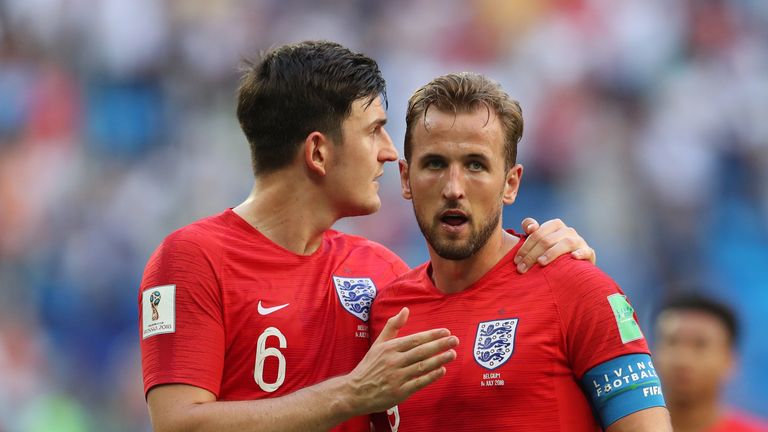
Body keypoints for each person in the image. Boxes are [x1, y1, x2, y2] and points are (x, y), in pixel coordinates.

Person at [138, 41, 596, 432]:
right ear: (318, 151)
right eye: (374, 130)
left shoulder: (380, 272)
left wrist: (551, 261)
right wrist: (352, 394)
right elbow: (180, 423)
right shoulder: (192, 258)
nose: (388, 151)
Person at [369, 72, 671, 431]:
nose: (453, 188)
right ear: (405, 178)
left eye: (475, 165)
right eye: (435, 163)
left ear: (510, 183)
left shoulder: (578, 289)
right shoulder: (387, 314)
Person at [654, 294, 768, 432]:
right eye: (672, 342)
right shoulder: (625, 426)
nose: (682, 359)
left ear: (729, 360)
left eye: (700, 344)